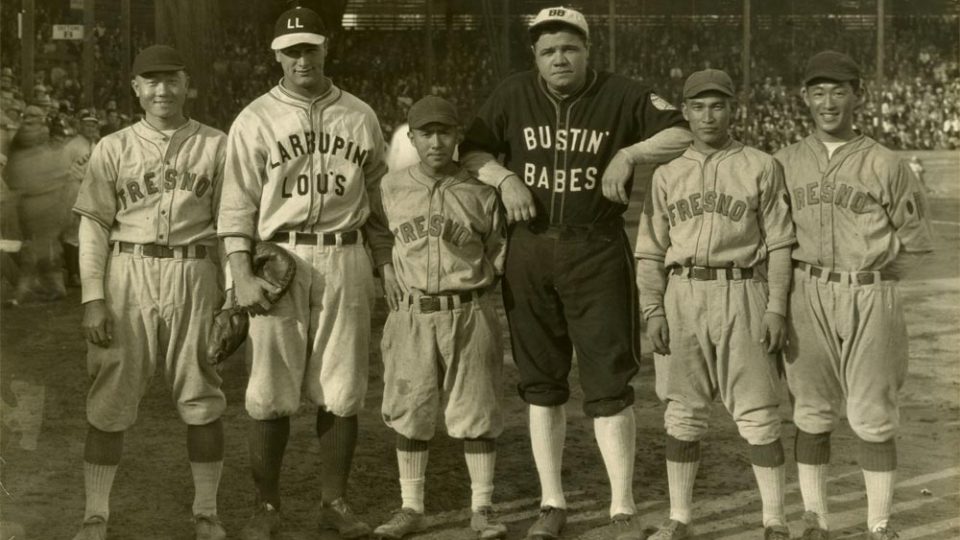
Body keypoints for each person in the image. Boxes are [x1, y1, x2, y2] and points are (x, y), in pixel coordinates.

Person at [458, 6, 692, 540]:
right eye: (547, 50)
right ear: (535, 57)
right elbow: (471, 148)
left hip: (597, 249)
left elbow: (679, 132)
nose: (559, 58)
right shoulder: (513, 93)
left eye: (569, 48)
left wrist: (629, 153)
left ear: (588, 50)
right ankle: (552, 502)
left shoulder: (621, 93)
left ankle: (623, 507)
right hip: (530, 249)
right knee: (541, 383)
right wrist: (502, 176)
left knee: (609, 381)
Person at [216, 7, 387, 540]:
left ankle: (334, 503)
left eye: (309, 48)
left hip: (346, 255)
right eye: (291, 51)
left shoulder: (359, 115)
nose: (301, 58)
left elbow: (380, 197)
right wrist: (238, 273)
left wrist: (385, 263)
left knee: (342, 387)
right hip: (276, 260)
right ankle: (267, 508)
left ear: (326, 50)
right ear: (276, 56)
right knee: (268, 390)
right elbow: (236, 204)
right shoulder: (255, 118)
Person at [70, 44, 228, 540]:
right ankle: (96, 514)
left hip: (195, 273)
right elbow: (94, 227)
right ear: (136, 88)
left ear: (188, 85)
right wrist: (93, 296)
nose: (162, 90)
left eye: (172, 79)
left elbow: (230, 226)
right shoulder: (112, 147)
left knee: (202, 391)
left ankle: (206, 512)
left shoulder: (218, 145)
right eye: (151, 81)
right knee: (110, 393)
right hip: (127, 272)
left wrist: (232, 298)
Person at [775, 51, 935, 540]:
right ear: (805, 98)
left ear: (857, 96)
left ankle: (879, 523)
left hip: (871, 295)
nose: (828, 102)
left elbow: (916, 243)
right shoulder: (783, 161)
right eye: (818, 91)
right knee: (812, 409)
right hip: (806, 293)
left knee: (873, 412)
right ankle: (815, 519)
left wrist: (877, 281)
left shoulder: (886, 162)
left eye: (839, 90)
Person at [635, 69, 795, 540]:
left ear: (732, 109)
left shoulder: (760, 165)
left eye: (718, 105)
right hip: (682, 293)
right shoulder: (666, 172)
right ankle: (680, 518)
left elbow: (781, 243)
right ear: (684, 112)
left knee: (759, 411)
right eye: (699, 106)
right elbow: (649, 251)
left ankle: (774, 521)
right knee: (682, 410)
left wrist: (777, 307)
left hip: (744, 291)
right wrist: (653, 310)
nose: (709, 115)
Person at [366, 95, 508, 540]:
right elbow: (378, 232)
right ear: (411, 137)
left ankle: (482, 508)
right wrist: (386, 268)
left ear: (457, 137)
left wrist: (482, 289)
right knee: (410, 409)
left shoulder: (482, 189)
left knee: (478, 411)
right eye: (426, 133)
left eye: (444, 132)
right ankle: (411, 507)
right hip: (411, 314)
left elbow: (500, 249)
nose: (436, 141)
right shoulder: (390, 187)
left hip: (469, 310)